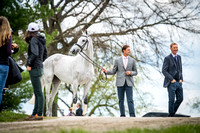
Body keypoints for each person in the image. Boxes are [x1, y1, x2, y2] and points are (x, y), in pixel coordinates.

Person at [102, 45, 137, 117]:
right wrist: (106, 71)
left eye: (129, 50)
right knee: (121, 100)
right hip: (120, 83)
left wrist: (130, 72)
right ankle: (122, 115)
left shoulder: (132, 60)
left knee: (130, 100)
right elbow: (113, 71)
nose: (129, 51)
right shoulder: (117, 60)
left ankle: (132, 115)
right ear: (124, 51)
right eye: (128, 50)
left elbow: (136, 72)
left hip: (129, 82)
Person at [24, 22, 48, 120]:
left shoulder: (34, 39)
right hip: (40, 67)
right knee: (37, 91)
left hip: (34, 68)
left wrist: (29, 64)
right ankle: (35, 113)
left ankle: (39, 113)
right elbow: (45, 54)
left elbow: (34, 53)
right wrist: (41, 63)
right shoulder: (41, 39)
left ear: (29, 31)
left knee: (38, 92)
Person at [162, 43, 183, 117]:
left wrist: (181, 79)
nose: (175, 49)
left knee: (180, 98)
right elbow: (164, 71)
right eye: (174, 47)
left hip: (179, 82)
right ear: (170, 48)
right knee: (171, 100)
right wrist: (172, 80)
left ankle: (171, 113)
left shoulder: (179, 57)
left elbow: (180, 69)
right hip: (171, 82)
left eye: (176, 47)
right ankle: (171, 115)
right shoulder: (167, 58)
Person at [0, 16, 12, 111]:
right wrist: (14, 49)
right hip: (4, 65)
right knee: (0, 90)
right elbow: (8, 52)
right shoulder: (8, 35)